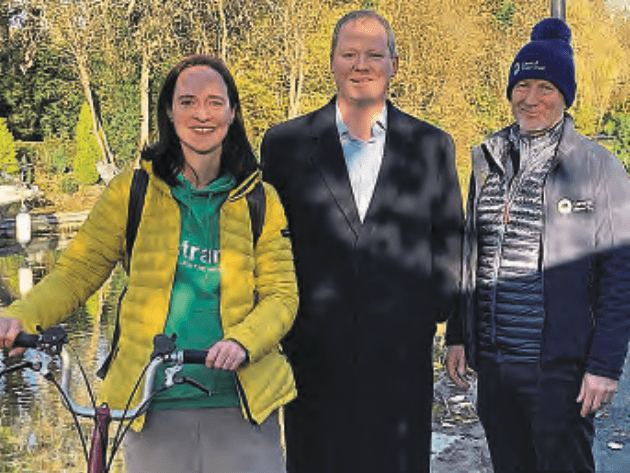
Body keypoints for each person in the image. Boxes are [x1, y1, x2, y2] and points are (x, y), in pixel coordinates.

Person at [0, 54, 298, 473]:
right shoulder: (132, 191)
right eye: (188, 101)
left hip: (242, 406)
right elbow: (75, 273)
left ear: (232, 113)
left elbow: (281, 297)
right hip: (148, 406)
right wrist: (19, 316)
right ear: (170, 113)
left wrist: (243, 341)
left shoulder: (260, 200)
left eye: (215, 102)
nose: (202, 113)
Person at [261, 10, 463, 473]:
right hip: (313, 355)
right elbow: (269, 243)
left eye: (374, 54)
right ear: (332, 62)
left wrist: (438, 320)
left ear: (394, 63)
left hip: (401, 357)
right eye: (349, 54)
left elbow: (450, 240)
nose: (361, 64)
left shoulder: (433, 145)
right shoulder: (285, 145)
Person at [446, 18, 630, 472]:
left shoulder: (599, 168)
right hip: (494, 366)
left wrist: (605, 366)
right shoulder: (486, 160)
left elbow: (620, 275)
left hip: (559, 372)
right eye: (521, 85)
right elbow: (470, 254)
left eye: (545, 86)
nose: (530, 98)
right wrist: (457, 334)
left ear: (565, 94)